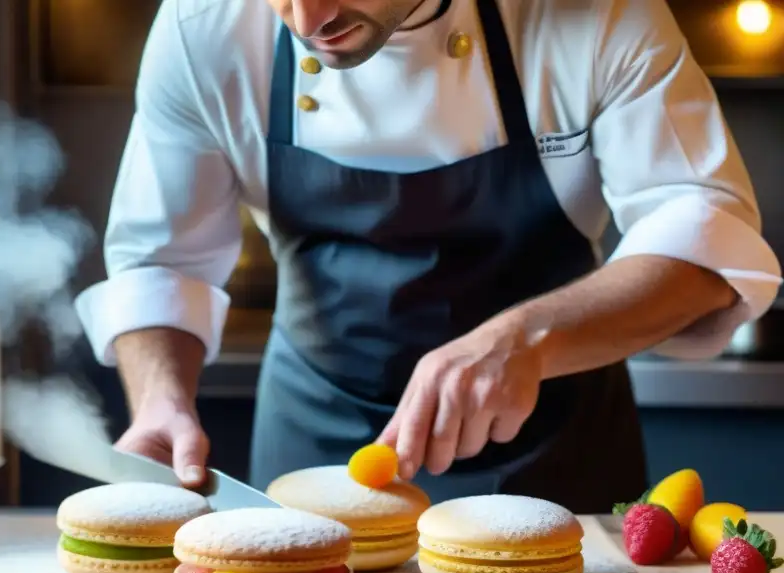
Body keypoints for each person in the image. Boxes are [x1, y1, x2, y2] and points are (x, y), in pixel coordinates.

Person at [74, 0, 781, 513]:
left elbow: (707, 236)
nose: (305, 17)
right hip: (313, 445)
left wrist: (526, 341)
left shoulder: (593, 14)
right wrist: (161, 397)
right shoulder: (204, 28)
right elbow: (160, 258)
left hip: (557, 453)